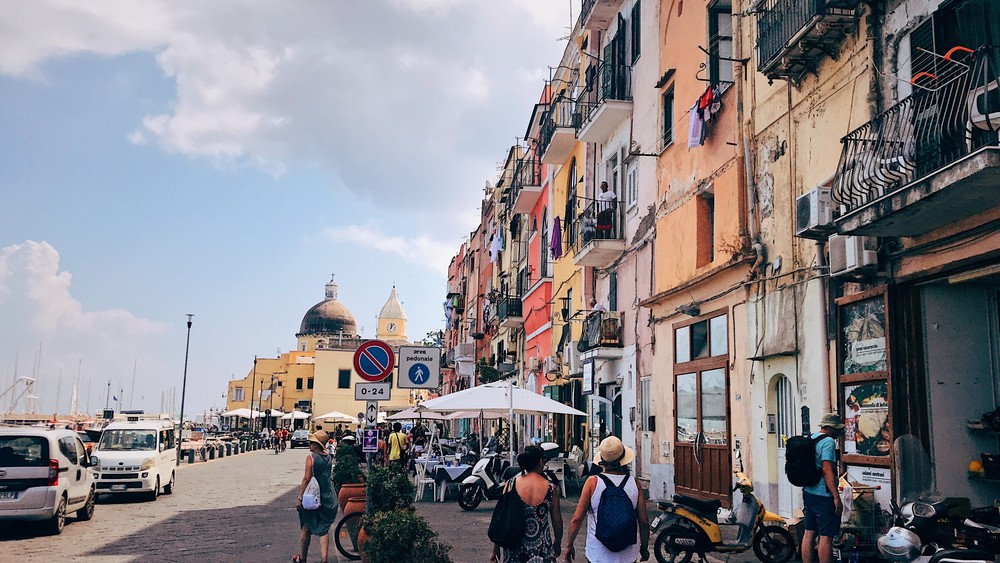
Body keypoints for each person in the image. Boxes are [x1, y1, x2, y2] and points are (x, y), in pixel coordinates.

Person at [564, 436, 649, 562]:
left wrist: (569, 545)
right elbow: (644, 521)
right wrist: (644, 547)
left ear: (602, 460)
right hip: (627, 556)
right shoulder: (634, 483)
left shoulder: (593, 482)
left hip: (598, 554)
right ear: (623, 460)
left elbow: (577, 519)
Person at [491, 445, 563, 563]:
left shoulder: (510, 484)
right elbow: (557, 521)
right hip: (541, 547)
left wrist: (496, 548)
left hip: (514, 545)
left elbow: (501, 519)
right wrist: (557, 543)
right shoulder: (551, 488)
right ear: (540, 461)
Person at [802, 413, 846, 563]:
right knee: (825, 536)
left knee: (809, 533)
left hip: (808, 492)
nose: (838, 433)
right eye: (837, 429)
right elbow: (827, 469)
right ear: (830, 428)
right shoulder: (828, 442)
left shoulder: (811, 438)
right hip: (823, 495)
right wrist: (836, 497)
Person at [294, 430, 338, 563]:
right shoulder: (328, 457)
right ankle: (324, 559)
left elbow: (307, 478)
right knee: (324, 528)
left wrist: (300, 497)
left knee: (306, 526)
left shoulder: (311, 458)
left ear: (317, 444)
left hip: (312, 498)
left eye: (312, 442)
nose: (309, 444)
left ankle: (302, 558)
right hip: (328, 497)